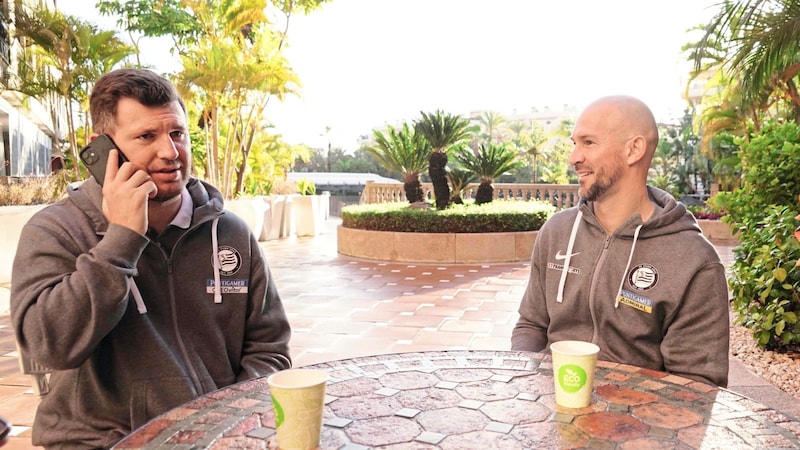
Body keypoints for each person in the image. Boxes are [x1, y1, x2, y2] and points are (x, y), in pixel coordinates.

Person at [10, 68, 292, 448]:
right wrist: (121, 240)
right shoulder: (56, 231)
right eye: (146, 136)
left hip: (217, 439)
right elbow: (48, 347)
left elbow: (269, 346)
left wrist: (233, 421)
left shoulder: (230, 233)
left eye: (177, 133)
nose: (170, 152)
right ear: (102, 148)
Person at [510, 95, 729, 387]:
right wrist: (526, 385)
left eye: (588, 143)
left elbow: (698, 385)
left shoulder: (693, 261)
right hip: (551, 406)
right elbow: (532, 325)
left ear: (633, 150)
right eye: (574, 143)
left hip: (639, 425)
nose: (573, 158)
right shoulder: (556, 232)